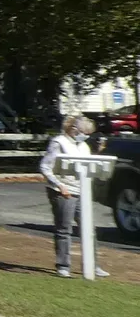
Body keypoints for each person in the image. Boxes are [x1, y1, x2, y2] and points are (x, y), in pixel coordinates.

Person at [40, 114, 109, 278]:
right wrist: (59, 185)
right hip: (64, 191)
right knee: (64, 229)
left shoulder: (83, 146)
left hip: (81, 191)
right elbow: (45, 166)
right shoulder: (59, 143)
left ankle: (93, 264)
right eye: (84, 132)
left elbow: (88, 166)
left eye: (88, 133)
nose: (86, 136)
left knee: (89, 229)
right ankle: (63, 266)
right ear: (74, 129)